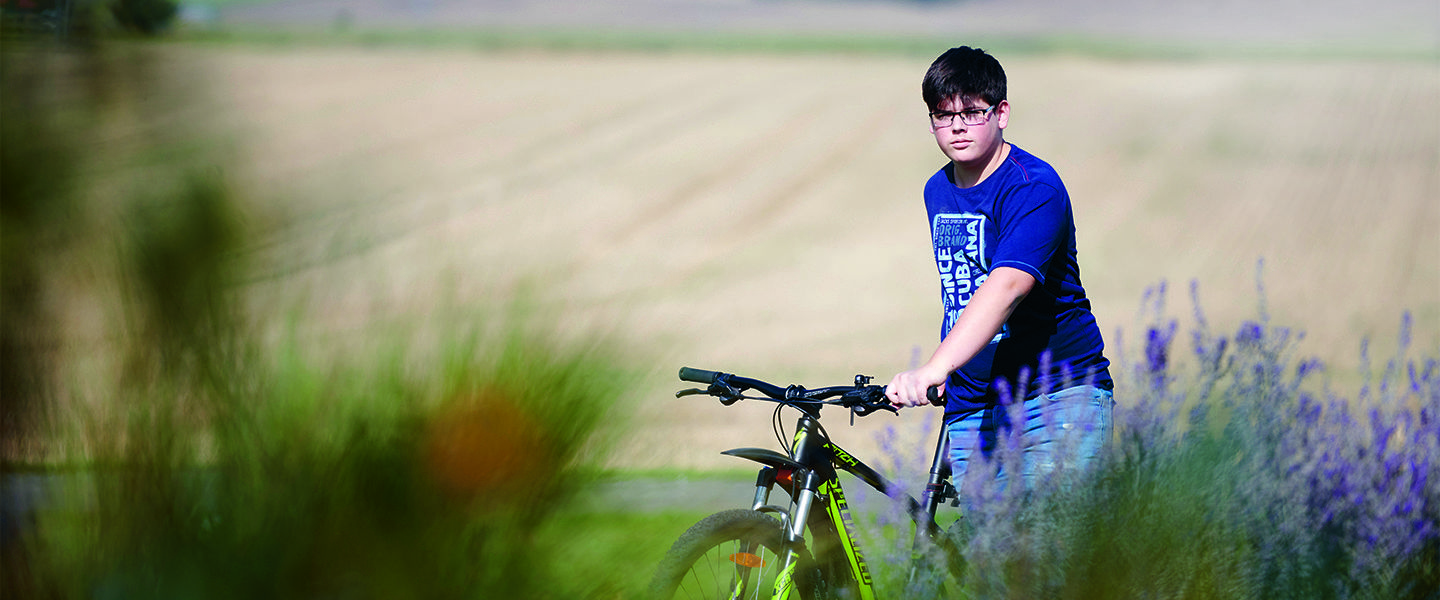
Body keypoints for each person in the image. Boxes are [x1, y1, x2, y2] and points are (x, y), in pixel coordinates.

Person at [884, 46, 1114, 490]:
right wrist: (953, 372)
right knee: (985, 538)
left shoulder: (1033, 187)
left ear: (1001, 113)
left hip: (1055, 397)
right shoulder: (937, 189)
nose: (957, 126)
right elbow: (962, 285)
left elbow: (1007, 285)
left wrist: (935, 367)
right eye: (943, 115)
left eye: (972, 112)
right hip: (973, 406)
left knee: (1050, 534)